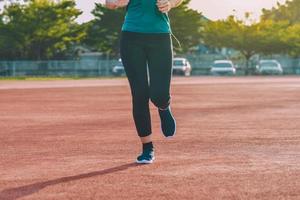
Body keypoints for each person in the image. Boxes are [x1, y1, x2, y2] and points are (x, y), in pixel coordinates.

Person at [105, 0, 183, 164]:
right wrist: (116, 2)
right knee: (139, 93)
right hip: (131, 37)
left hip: (160, 37)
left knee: (159, 94)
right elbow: (109, 3)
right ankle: (147, 148)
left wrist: (170, 4)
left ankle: (163, 105)